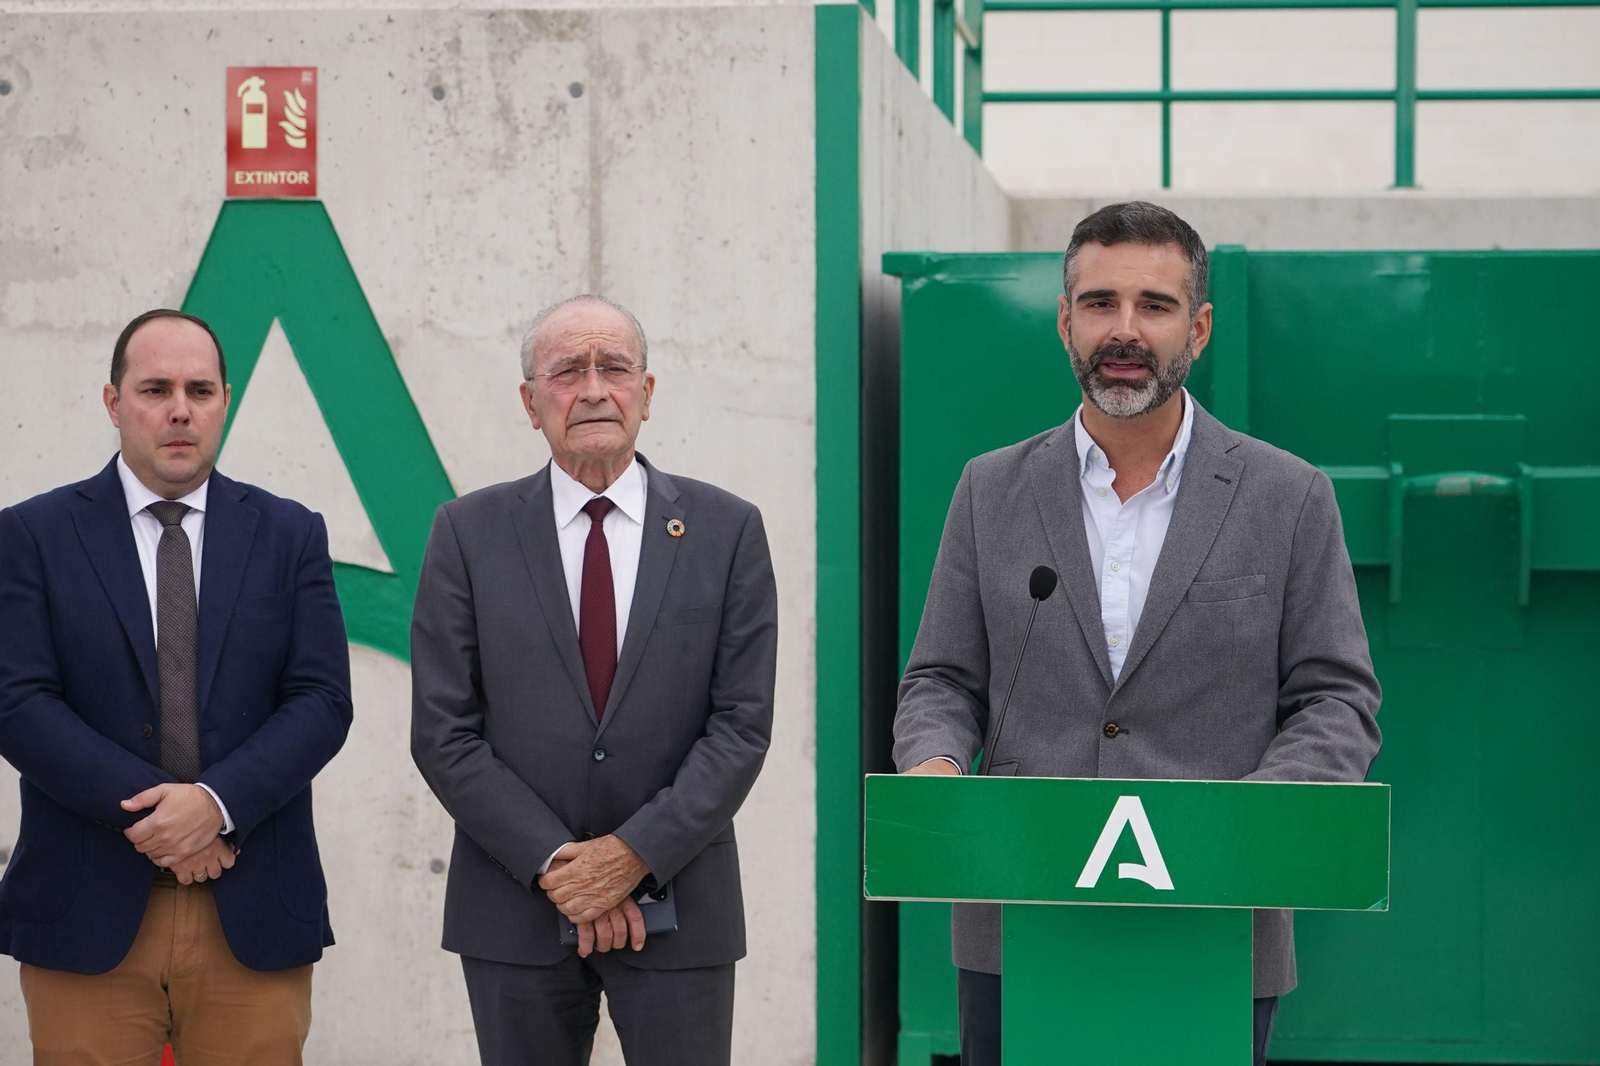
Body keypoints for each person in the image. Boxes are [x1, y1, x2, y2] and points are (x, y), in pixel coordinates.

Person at [892, 201, 1382, 1066]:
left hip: (1217, 920)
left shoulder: (1288, 495)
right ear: (1064, 322)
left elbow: (1336, 700)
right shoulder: (989, 489)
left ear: (1198, 329)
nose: (1125, 329)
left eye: (1154, 306)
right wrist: (936, 771)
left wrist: (1257, 815)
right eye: (1100, 303)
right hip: (1020, 920)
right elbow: (941, 680)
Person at [410, 294, 777, 1066]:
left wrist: (632, 857)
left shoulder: (727, 528)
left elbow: (740, 726)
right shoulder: (466, 533)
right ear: (530, 402)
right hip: (515, 906)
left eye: (614, 367)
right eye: (567, 371)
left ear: (646, 392)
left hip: (682, 908)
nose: (592, 388)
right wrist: (560, 865)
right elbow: (444, 732)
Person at [0, 308, 353, 1064]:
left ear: (226, 399)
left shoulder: (292, 535)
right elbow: (19, 703)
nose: (179, 409)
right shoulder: (32, 534)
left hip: (252, 911)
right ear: (112, 401)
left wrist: (216, 807)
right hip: (85, 915)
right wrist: (167, 819)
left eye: (199, 389)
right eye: (155, 388)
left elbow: (321, 701)